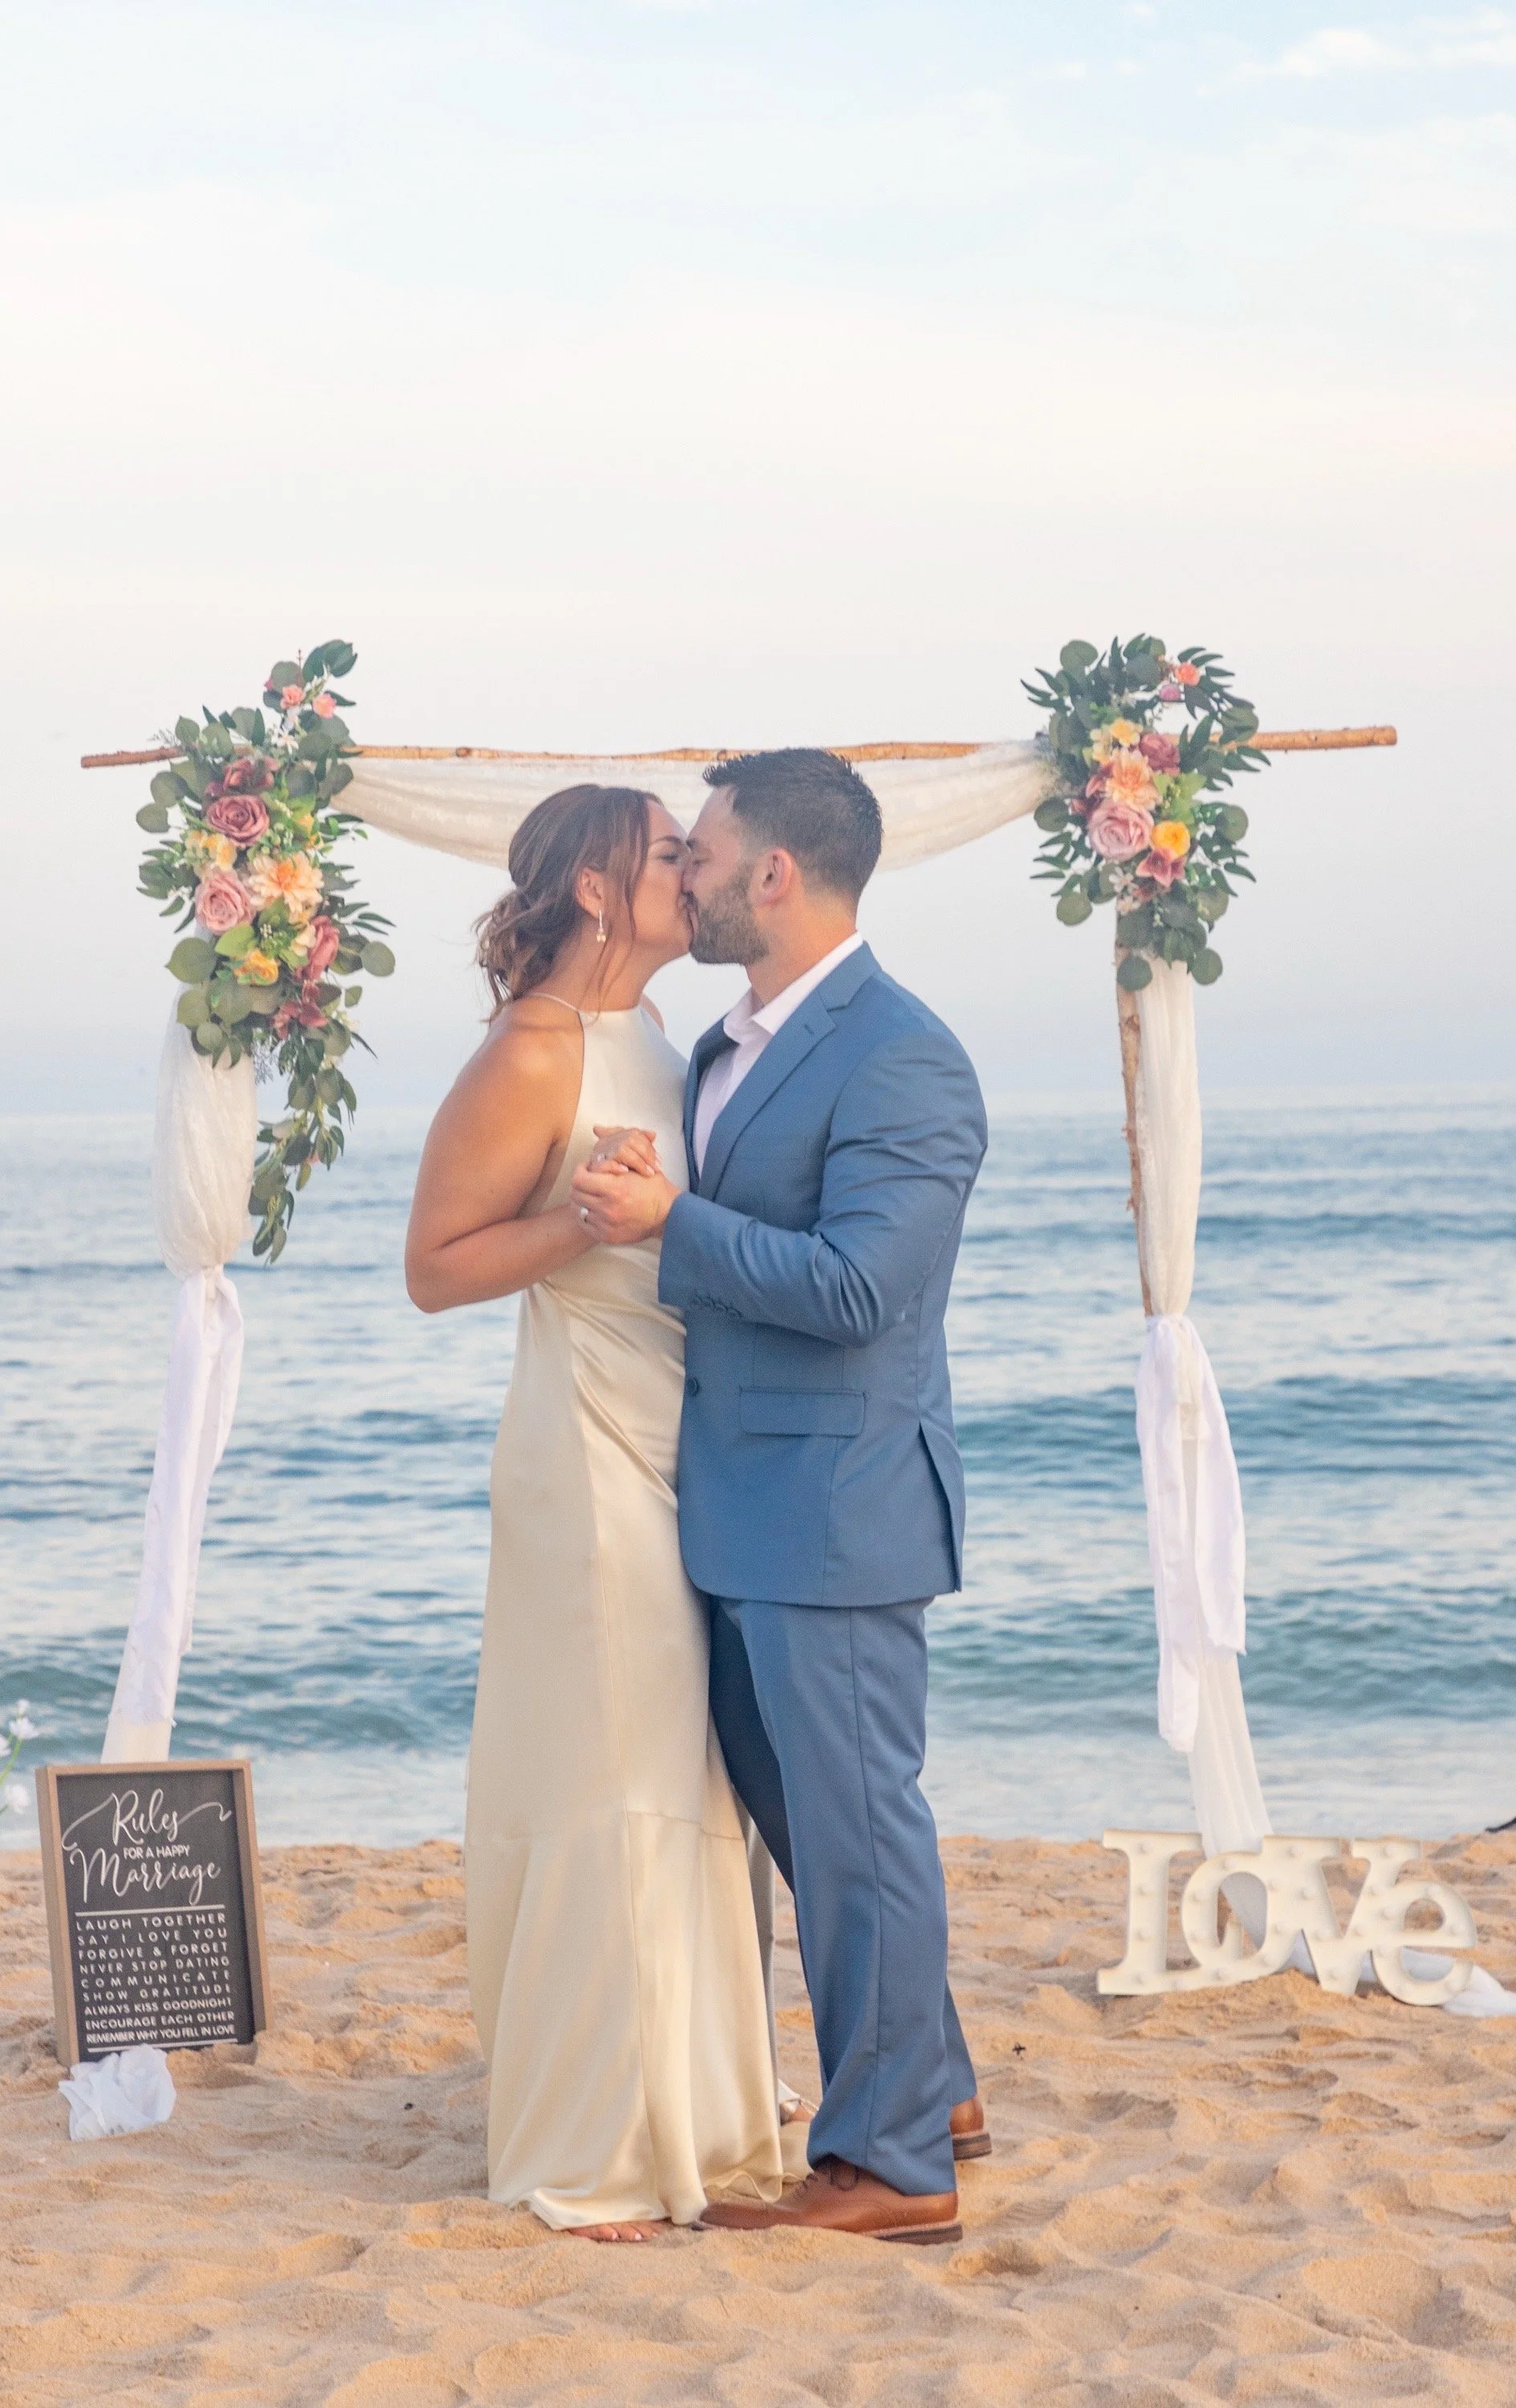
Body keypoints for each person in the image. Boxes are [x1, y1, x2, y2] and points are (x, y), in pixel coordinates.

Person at [573, 747, 990, 2247]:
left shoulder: (905, 1057)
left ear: (775, 876)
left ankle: (890, 2167)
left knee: (861, 1831)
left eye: (701, 855)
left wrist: (673, 1221)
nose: (678, 877)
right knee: (817, 1831)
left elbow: (865, 1291)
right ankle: (930, 2085)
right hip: (732, 1504)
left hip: (842, 1508)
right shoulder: (720, 1048)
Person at [404, 783, 783, 2242]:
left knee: (683, 1783)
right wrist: (583, 1221)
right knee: (616, 1772)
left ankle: (694, 2106)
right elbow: (434, 1267)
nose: (697, 876)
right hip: (586, 1449)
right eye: (669, 858)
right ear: (594, 894)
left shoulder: (659, 1041)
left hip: (681, 1435)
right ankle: (602, 2144)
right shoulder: (533, 1050)